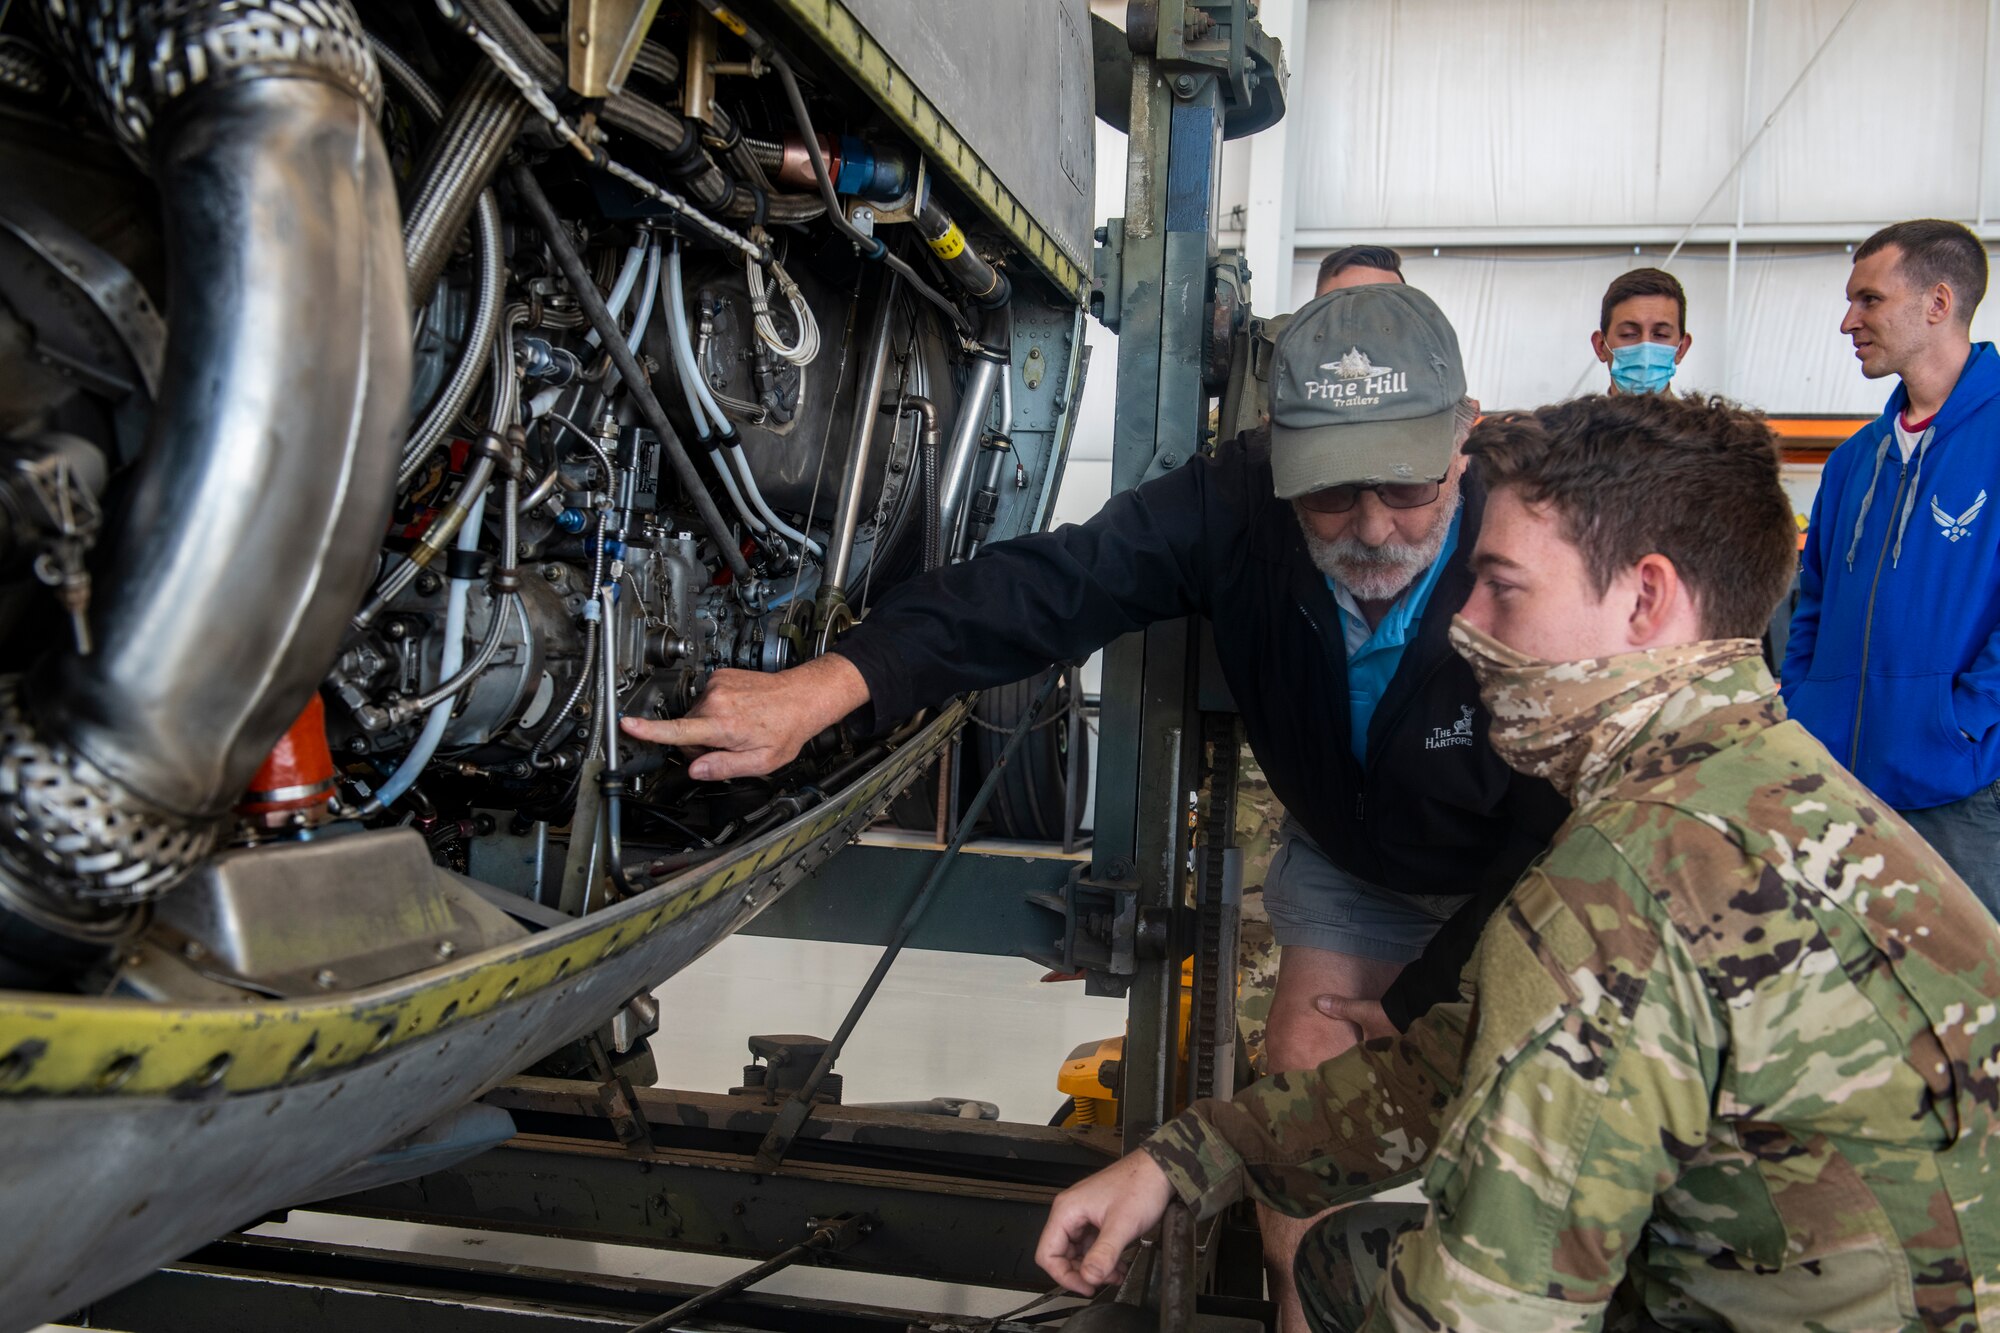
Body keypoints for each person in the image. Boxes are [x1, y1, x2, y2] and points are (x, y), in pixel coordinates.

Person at [626, 281, 1567, 1331]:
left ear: (1464, 435)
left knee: (1530, 1144)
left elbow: (1567, 825)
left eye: (1404, 490)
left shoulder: (1535, 537)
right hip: (1353, 862)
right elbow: (1049, 585)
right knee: (1302, 1111)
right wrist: (838, 681)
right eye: (1330, 495)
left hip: (1530, 872)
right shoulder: (1233, 499)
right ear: (1278, 449)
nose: (1370, 528)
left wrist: (1424, 995)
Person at [1035, 392, 2000, 1331]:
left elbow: (1484, 1306)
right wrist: (1185, 1158)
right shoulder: (1772, 784)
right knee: (1343, 1257)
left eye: (1500, 587)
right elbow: (1450, 1066)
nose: (1467, 628)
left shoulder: (1627, 887)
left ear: (1646, 597)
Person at [1784, 218, 2000, 918]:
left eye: (1869, 300)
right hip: (1838, 790)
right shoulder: (1853, 460)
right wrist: (1803, 710)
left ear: (1938, 303)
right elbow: (1810, 602)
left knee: (1970, 1009)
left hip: (1959, 794)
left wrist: (1962, 726)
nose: (1849, 321)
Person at [1591, 267, 1691, 395]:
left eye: (1661, 334)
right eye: (1628, 334)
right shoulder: (1579, 415)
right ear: (1600, 346)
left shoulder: (1706, 416)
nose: (1645, 350)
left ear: (1681, 348)